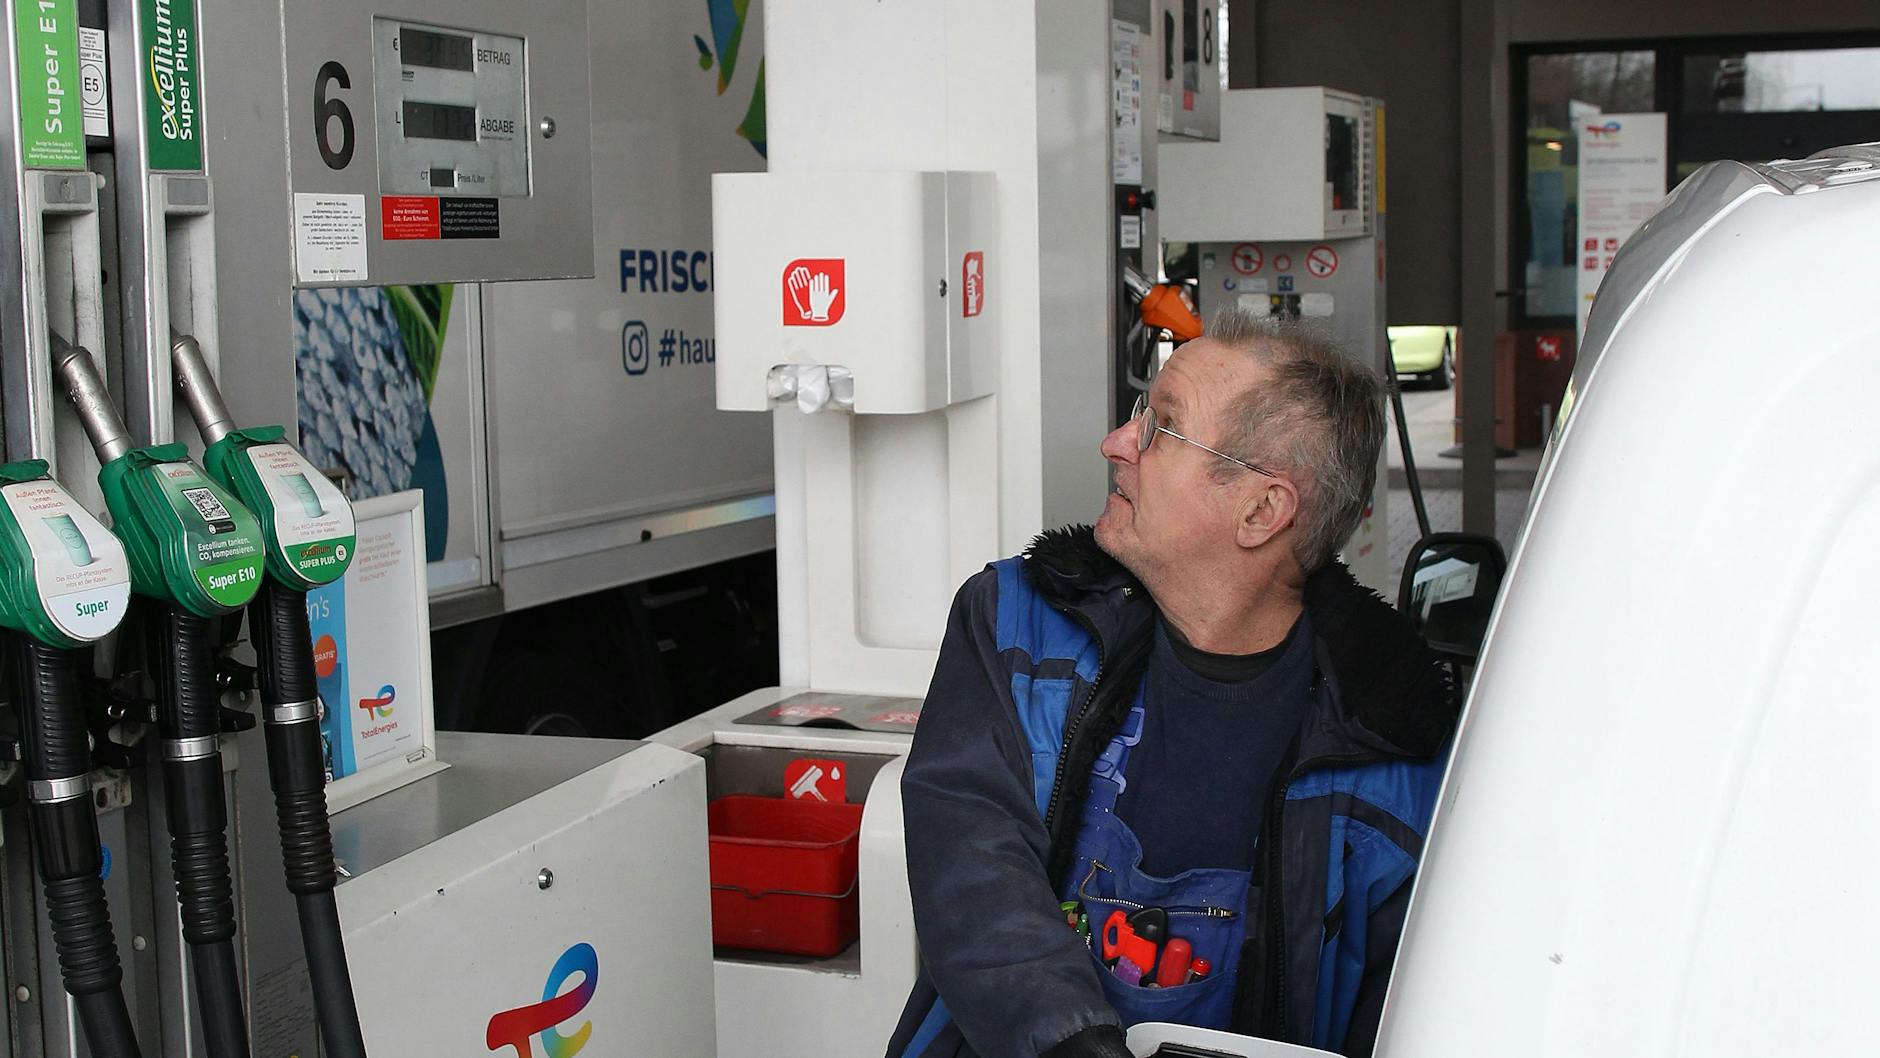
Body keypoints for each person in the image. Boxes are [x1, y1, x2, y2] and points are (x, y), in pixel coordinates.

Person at [885, 309, 1459, 1058]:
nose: (1116, 442)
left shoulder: (1395, 760)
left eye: (1161, 427)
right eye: (1139, 413)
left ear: (1261, 510)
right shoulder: (1016, 626)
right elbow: (972, 867)